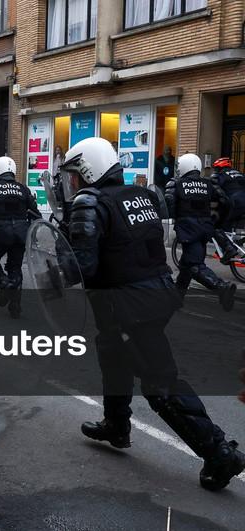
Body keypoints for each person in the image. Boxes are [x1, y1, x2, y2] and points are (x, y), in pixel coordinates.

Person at [63, 137, 245, 491]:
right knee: (112, 354)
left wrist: (54, 269)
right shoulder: (141, 195)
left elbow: (82, 267)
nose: (72, 182)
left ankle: (220, 453)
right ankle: (116, 425)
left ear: (87, 169)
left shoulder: (90, 202)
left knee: (160, 384)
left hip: (126, 305)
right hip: (155, 294)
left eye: (74, 174)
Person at [165, 153, 236, 311]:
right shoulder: (208, 183)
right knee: (186, 265)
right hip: (205, 229)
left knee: (194, 266)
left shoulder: (176, 183)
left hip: (188, 230)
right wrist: (217, 223)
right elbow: (225, 202)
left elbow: (169, 205)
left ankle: (222, 287)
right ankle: (176, 299)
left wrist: (176, 218)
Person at [0, 156, 41, 318]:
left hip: (1, 231)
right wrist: (33, 236)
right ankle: (16, 306)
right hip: (22, 232)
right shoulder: (24, 188)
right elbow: (36, 214)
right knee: (15, 267)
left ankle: (5, 284)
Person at [211, 157, 245, 264]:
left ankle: (229, 249)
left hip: (235, 204)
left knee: (215, 226)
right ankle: (226, 247)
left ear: (219, 167)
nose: (215, 170)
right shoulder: (239, 174)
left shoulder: (219, 175)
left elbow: (213, 190)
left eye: (216, 168)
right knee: (227, 227)